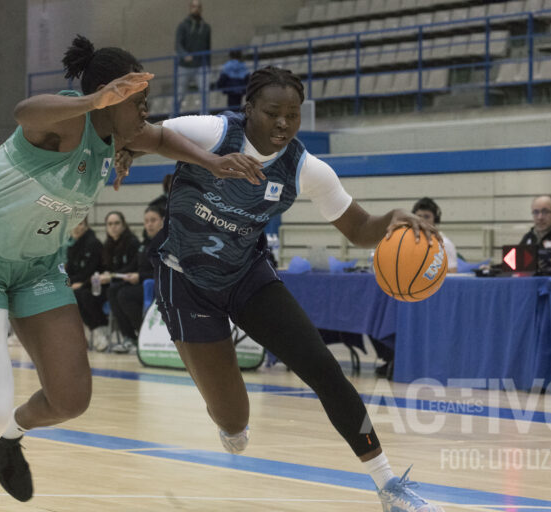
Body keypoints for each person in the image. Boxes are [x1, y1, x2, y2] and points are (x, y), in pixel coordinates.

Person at [0, 35, 264, 512]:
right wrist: (93, 100)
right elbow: (24, 111)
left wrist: (214, 162)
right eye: (138, 100)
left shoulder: (118, 136)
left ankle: (10, 435)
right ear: (110, 96)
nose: (146, 110)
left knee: (70, 399)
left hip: (37, 268)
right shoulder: (68, 119)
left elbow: (161, 138)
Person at [134, 66, 444, 511]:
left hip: (245, 274)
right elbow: (144, 135)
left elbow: (359, 227)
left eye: (293, 115)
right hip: (185, 281)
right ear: (249, 109)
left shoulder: (305, 168)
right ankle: (229, 421)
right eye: (272, 112)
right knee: (234, 421)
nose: (283, 122)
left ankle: (389, 485)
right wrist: (126, 151)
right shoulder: (212, 132)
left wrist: (390, 219)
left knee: (323, 368)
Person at [106, 205, 165, 352]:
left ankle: (143, 333)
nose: (149, 224)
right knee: (113, 290)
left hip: (159, 285)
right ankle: (129, 337)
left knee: (125, 295)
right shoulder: (144, 244)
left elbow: (163, 271)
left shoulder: (166, 243)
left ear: (163, 221)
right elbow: (134, 266)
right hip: (143, 283)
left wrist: (140, 276)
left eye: (153, 220)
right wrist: (116, 276)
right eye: (146, 221)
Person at [97, 211, 140, 352]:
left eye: (116, 223)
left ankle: (131, 336)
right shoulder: (108, 245)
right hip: (116, 283)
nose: (113, 227)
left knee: (115, 292)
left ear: (123, 225)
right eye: (110, 224)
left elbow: (133, 266)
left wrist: (112, 276)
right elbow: (107, 267)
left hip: (133, 282)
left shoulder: (132, 242)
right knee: (91, 294)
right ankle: (104, 333)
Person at [65, 216, 108, 337]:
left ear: (86, 226)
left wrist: (79, 283)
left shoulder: (93, 244)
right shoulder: (72, 245)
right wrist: (67, 283)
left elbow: (90, 271)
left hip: (97, 284)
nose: (76, 227)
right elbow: (69, 271)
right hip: (80, 284)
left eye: (80, 224)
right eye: (73, 224)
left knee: (82, 294)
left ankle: (100, 329)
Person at [175, 0, 211, 107]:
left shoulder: (206, 28)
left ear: (201, 9)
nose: (196, 9)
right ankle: (174, 114)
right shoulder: (182, 26)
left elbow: (208, 47)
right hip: (184, 66)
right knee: (180, 93)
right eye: (194, 6)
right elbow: (178, 44)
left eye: (199, 7)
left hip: (201, 66)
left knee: (205, 93)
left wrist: (208, 65)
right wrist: (184, 55)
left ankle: (205, 115)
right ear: (190, 8)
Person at [412, 197, 457, 273]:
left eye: (426, 217)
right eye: (418, 216)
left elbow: (452, 272)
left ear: (435, 219)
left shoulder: (445, 243)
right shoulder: (407, 241)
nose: (421, 220)